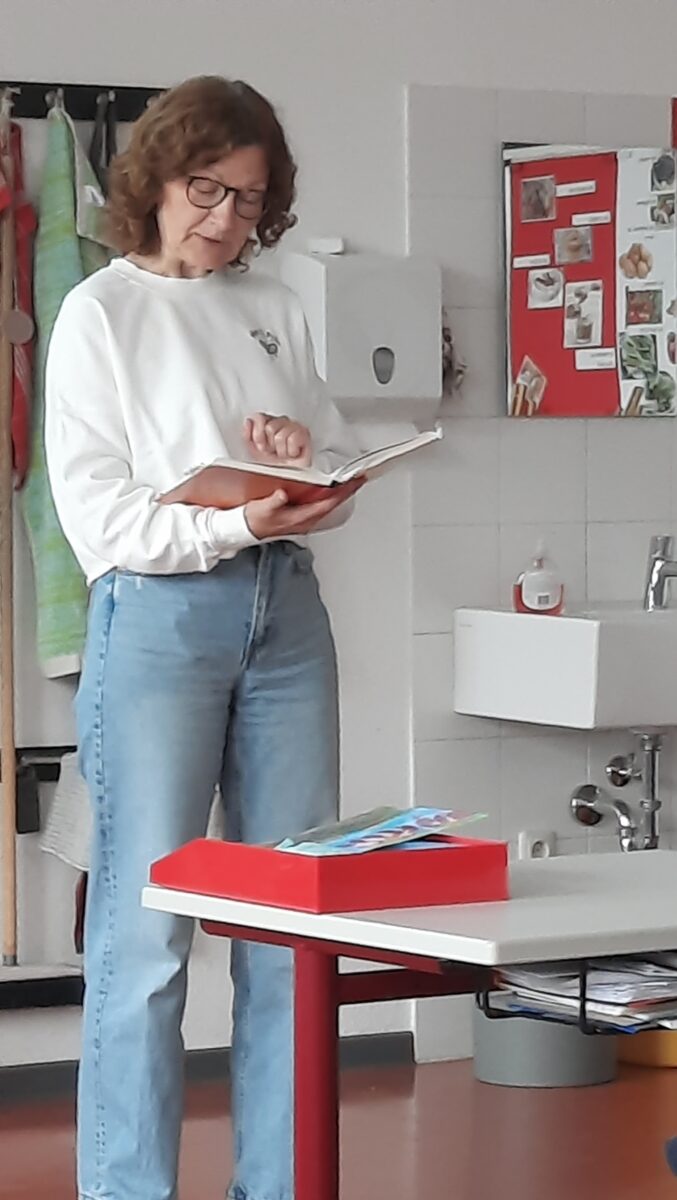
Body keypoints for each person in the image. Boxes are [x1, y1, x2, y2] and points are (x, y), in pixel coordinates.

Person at [44, 75, 362, 1200]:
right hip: (159, 624)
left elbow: (331, 474)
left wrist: (302, 461)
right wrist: (235, 521)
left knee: (291, 932)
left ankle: (281, 1188)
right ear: (158, 180)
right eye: (206, 190)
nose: (227, 219)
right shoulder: (102, 313)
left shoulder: (272, 303)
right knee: (147, 941)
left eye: (250, 199)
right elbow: (100, 520)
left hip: (287, 615)